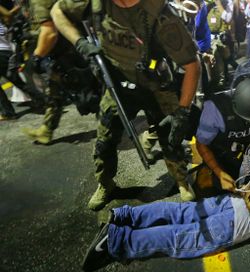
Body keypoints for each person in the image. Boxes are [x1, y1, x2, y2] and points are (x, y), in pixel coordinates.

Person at [51, 0, 201, 210]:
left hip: (156, 86)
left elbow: (192, 64)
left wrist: (183, 112)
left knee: (171, 137)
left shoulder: (160, 14)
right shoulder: (95, 3)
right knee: (104, 142)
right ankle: (106, 184)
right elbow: (57, 11)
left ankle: (182, 180)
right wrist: (80, 43)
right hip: (116, 84)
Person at [80, 190, 250, 272]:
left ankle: (123, 217)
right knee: (181, 237)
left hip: (232, 202)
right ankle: (116, 241)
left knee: (179, 212)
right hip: (239, 220)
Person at [20, 0, 90, 144]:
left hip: (68, 53)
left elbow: (50, 32)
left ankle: (116, 124)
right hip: (63, 53)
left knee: (91, 94)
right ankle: (47, 129)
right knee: (54, 92)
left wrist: (36, 58)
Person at [195, 76, 250, 194]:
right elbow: (202, 144)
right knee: (210, 190)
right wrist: (219, 172)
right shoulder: (214, 109)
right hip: (222, 153)